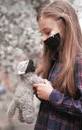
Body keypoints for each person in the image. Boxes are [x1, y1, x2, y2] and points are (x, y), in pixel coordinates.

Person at [33, 0, 82, 130]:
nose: (43, 39)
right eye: (41, 34)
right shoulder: (55, 59)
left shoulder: (79, 62)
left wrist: (51, 95)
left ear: (66, 26)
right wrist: (40, 90)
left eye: (48, 32)